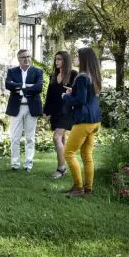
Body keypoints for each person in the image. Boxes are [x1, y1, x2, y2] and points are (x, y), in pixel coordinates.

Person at [62, 47, 102, 197]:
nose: (75, 60)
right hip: (95, 121)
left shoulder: (81, 77)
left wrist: (65, 97)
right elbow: (87, 96)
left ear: (84, 60)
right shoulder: (95, 76)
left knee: (69, 153)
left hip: (84, 121)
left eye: (77, 57)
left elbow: (80, 101)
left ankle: (78, 188)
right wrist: (74, 91)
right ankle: (88, 188)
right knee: (87, 154)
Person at [5, 49, 44, 171]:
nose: (26, 59)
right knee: (15, 137)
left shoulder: (37, 71)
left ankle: (28, 164)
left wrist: (18, 87)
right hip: (16, 107)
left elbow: (38, 87)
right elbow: (8, 85)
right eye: (23, 57)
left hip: (31, 107)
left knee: (30, 137)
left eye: (28, 56)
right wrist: (26, 86)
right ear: (18, 59)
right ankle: (15, 164)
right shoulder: (12, 71)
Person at [43, 51, 78, 179]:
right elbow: (49, 96)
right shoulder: (53, 75)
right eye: (56, 59)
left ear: (66, 61)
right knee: (61, 139)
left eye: (60, 59)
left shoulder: (74, 75)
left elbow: (79, 92)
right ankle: (63, 167)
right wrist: (46, 111)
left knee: (56, 138)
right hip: (56, 111)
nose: (57, 62)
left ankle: (61, 168)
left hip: (67, 111)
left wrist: (72, 92)